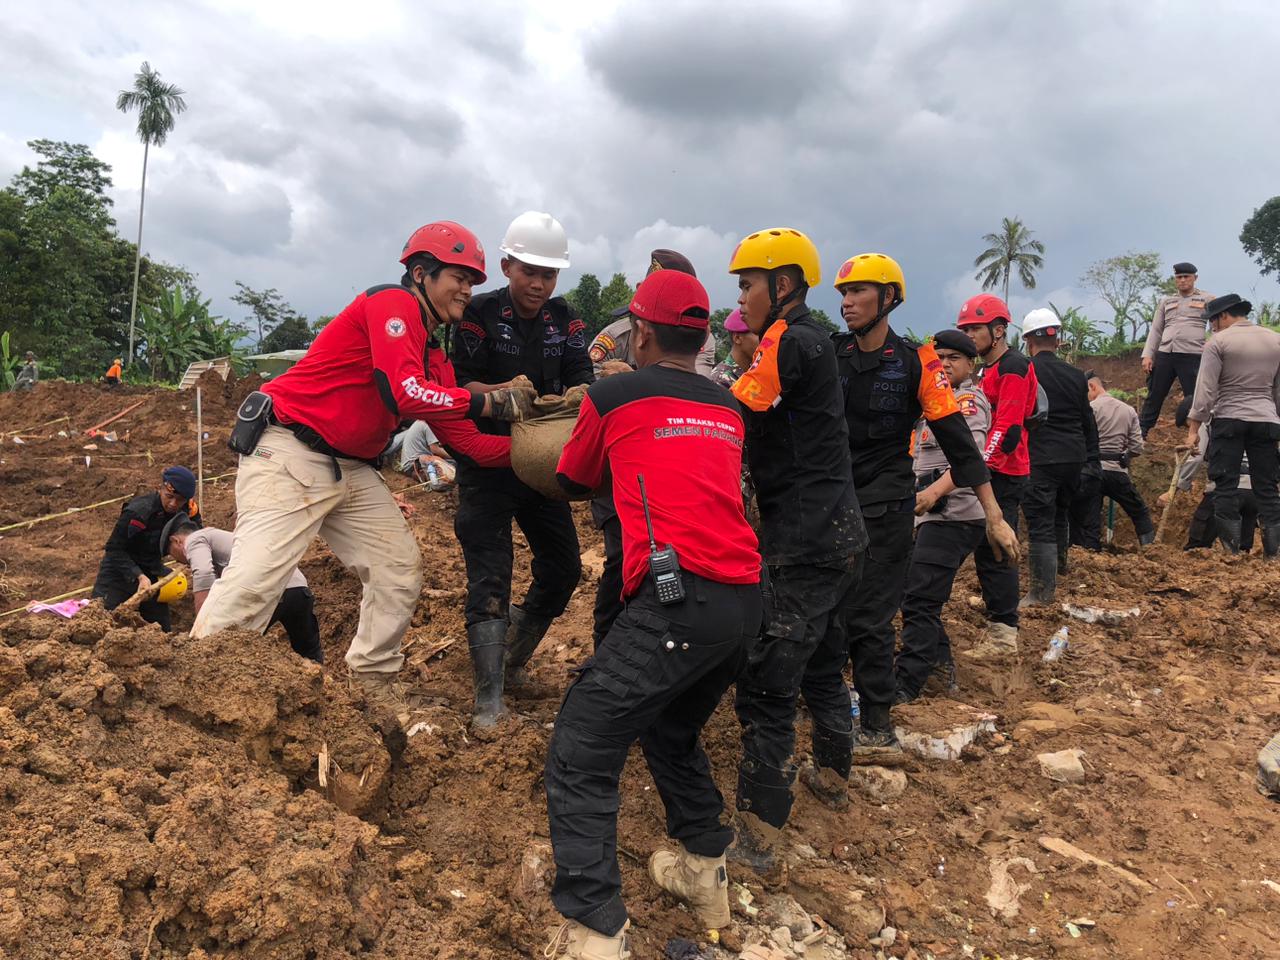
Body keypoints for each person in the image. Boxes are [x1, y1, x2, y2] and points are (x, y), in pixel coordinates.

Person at [191, 221, 531, 729]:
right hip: (289, 452)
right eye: (459, 277)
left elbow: (465, 441)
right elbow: (403, 391)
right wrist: (489, 401)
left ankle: (371, 689)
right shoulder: (391, 304)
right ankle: (195, 691)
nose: (468, 289)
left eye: (472, 281)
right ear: (422, 273)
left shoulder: (435, 356)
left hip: (349, 466)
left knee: (397, 569)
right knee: (257, 579)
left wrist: (537, 455)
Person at [543, 270, 761, 959]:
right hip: (744, 602)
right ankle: (705, 877)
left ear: (639, 333)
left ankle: (594, 931)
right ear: (701, 338)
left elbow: (572, 479)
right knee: (669, 730)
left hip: (680, 600)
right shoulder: (727, 406)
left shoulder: (613, 395)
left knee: (582, 742)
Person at [830, 253, 1016, 765]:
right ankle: (824, 707)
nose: (846, 302)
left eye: (858, 292)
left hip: (888, 508)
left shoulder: (918, 363)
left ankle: (877, 726)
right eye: (843, 293)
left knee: (872, 617)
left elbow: (959, 442)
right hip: (833, 503)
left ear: (888, 297)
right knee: (828, 610)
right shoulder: (828, 354)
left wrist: (994, 515)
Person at [725, 227, 866, 866]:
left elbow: (735, 411)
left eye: (747, 286)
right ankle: (833, 777)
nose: (741, 299)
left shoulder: (789, 340)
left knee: (768, 684)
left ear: (782, 284)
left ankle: (760, 834)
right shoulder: (817, 341)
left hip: (803, 543)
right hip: (840, 534)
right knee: (825, 664)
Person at [451, 211, 593, 728]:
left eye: (548, 274)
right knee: (491, 575)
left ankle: (510, 662)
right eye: (529, 271)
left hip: (541, 466)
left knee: (563, 568)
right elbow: (460, 384)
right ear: (507, 266)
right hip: (487, 464)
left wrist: (580, 394)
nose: (538, 284)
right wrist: (502, 394)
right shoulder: (479, 314)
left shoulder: (566, 320)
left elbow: (581, 375)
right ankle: (488, 699)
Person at [586, 249, 707, 648]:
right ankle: (606, 647)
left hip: (672, 467)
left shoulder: (700, 342)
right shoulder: (617, 335)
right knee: (623, 558)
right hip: (623, 466)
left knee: (674, 560)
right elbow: (587, 388)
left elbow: (696, 388)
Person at [894, 330, 994, 702]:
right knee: (914, 592)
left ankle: (908, 682)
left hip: (954, 515)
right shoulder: (933, 401)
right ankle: (938, 665)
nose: (945, 365)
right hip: (932, 516)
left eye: (954, 358)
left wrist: (933, 492)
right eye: (939, 359)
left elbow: (970, 457)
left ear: (971, 364)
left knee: (920, 599)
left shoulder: (967, 401)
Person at [956, 294, 1037, 657]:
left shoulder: (1013, 366)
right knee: (984, 548)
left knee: (997, 549)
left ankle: (1004, 634)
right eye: (965, 330)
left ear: (999, 330)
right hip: (989, 470)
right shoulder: (987, 369)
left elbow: (1008, 428)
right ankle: (999, 614)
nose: (969, 336)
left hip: (1003, 470)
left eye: (975, 329)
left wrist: (980, 468)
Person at [1186, 294, 1280, 556]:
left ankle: (1232, 553)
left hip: (1229, 419)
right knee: (1267, 488)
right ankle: (1273, 555)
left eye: (1213, 321)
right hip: (1266, 420)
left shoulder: (1218, 342)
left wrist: (1193, 430)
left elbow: (1205, 390)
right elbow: (1278, 390)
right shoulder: (1275, 340)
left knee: (1225, 486)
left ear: (1224, 315)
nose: (1212, 327)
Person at [1020, 309, 1100, 605]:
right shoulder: (1076, 375)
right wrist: (1092, 458)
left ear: (1028, 341)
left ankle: (1041, 593)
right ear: (1057, 340)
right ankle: (1060, 570)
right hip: (1073, 457)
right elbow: (1087, 420)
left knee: (1040, 520)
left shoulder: (1025, 370)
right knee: (1060, 512)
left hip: (1041, 457)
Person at [164, 517, 324, 663]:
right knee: (309, 652)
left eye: (174, 555)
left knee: (239, 646)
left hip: (268, 588)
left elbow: (204, 573)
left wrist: (203, 625)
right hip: (298, 587)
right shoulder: (224, 538)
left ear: (176, 541)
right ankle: (321, 681)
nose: (182, 562)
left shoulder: (194, 539)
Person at [92, 466, 201, 631]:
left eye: (179, 500)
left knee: (162, 631)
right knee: (101, 624)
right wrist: (139, 576)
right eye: (169, 496)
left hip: (152, 570)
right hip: (119, 572)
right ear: (160, 488)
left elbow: (196, 530)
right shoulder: (138, 512)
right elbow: (114, 549)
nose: (173, 504)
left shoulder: (188, 508)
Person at [587, 249, 717, 379]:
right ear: (640, 289)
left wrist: (630, 381)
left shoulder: (699, 339)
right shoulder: (615, 338)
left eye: (675, 296)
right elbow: (588, 384)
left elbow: (694, 386)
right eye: (655, 292)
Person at [1070, 374, 1154, 548]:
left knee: (1089, 519)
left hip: (1091, 472)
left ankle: (1090, 555)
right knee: (1139, 512)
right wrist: (1125, 456)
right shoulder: (1128, 410)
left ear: (1092, 386)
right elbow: (1137, 447)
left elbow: (1078, 439)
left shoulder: (1090, 409)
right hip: (1117, 472)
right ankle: (1150, 549)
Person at [1167, 397, 1260, 550]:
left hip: (1225, 488)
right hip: (1253, 491)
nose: (1189, 431)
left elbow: (1196, 458)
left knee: (1197, 545)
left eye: (1187, 426)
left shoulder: (1206, 422)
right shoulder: (1247, 421)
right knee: (1242, 551)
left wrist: (1175, 489)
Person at [1139, 262, 1212, 437]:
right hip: (1166, 354)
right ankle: (1141, 433)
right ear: (1175, 279)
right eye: (1179, 277)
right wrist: (1148, 355)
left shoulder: (1208, 299)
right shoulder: (1167, 301)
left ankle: (1202, 435)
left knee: (1195, 397)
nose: (1183, 280)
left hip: (1193, 354)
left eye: (1186, 276)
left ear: (1195, 278)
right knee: (1154, 394)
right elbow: (1156, 330)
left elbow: (1217, 325)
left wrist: (1211, 344)